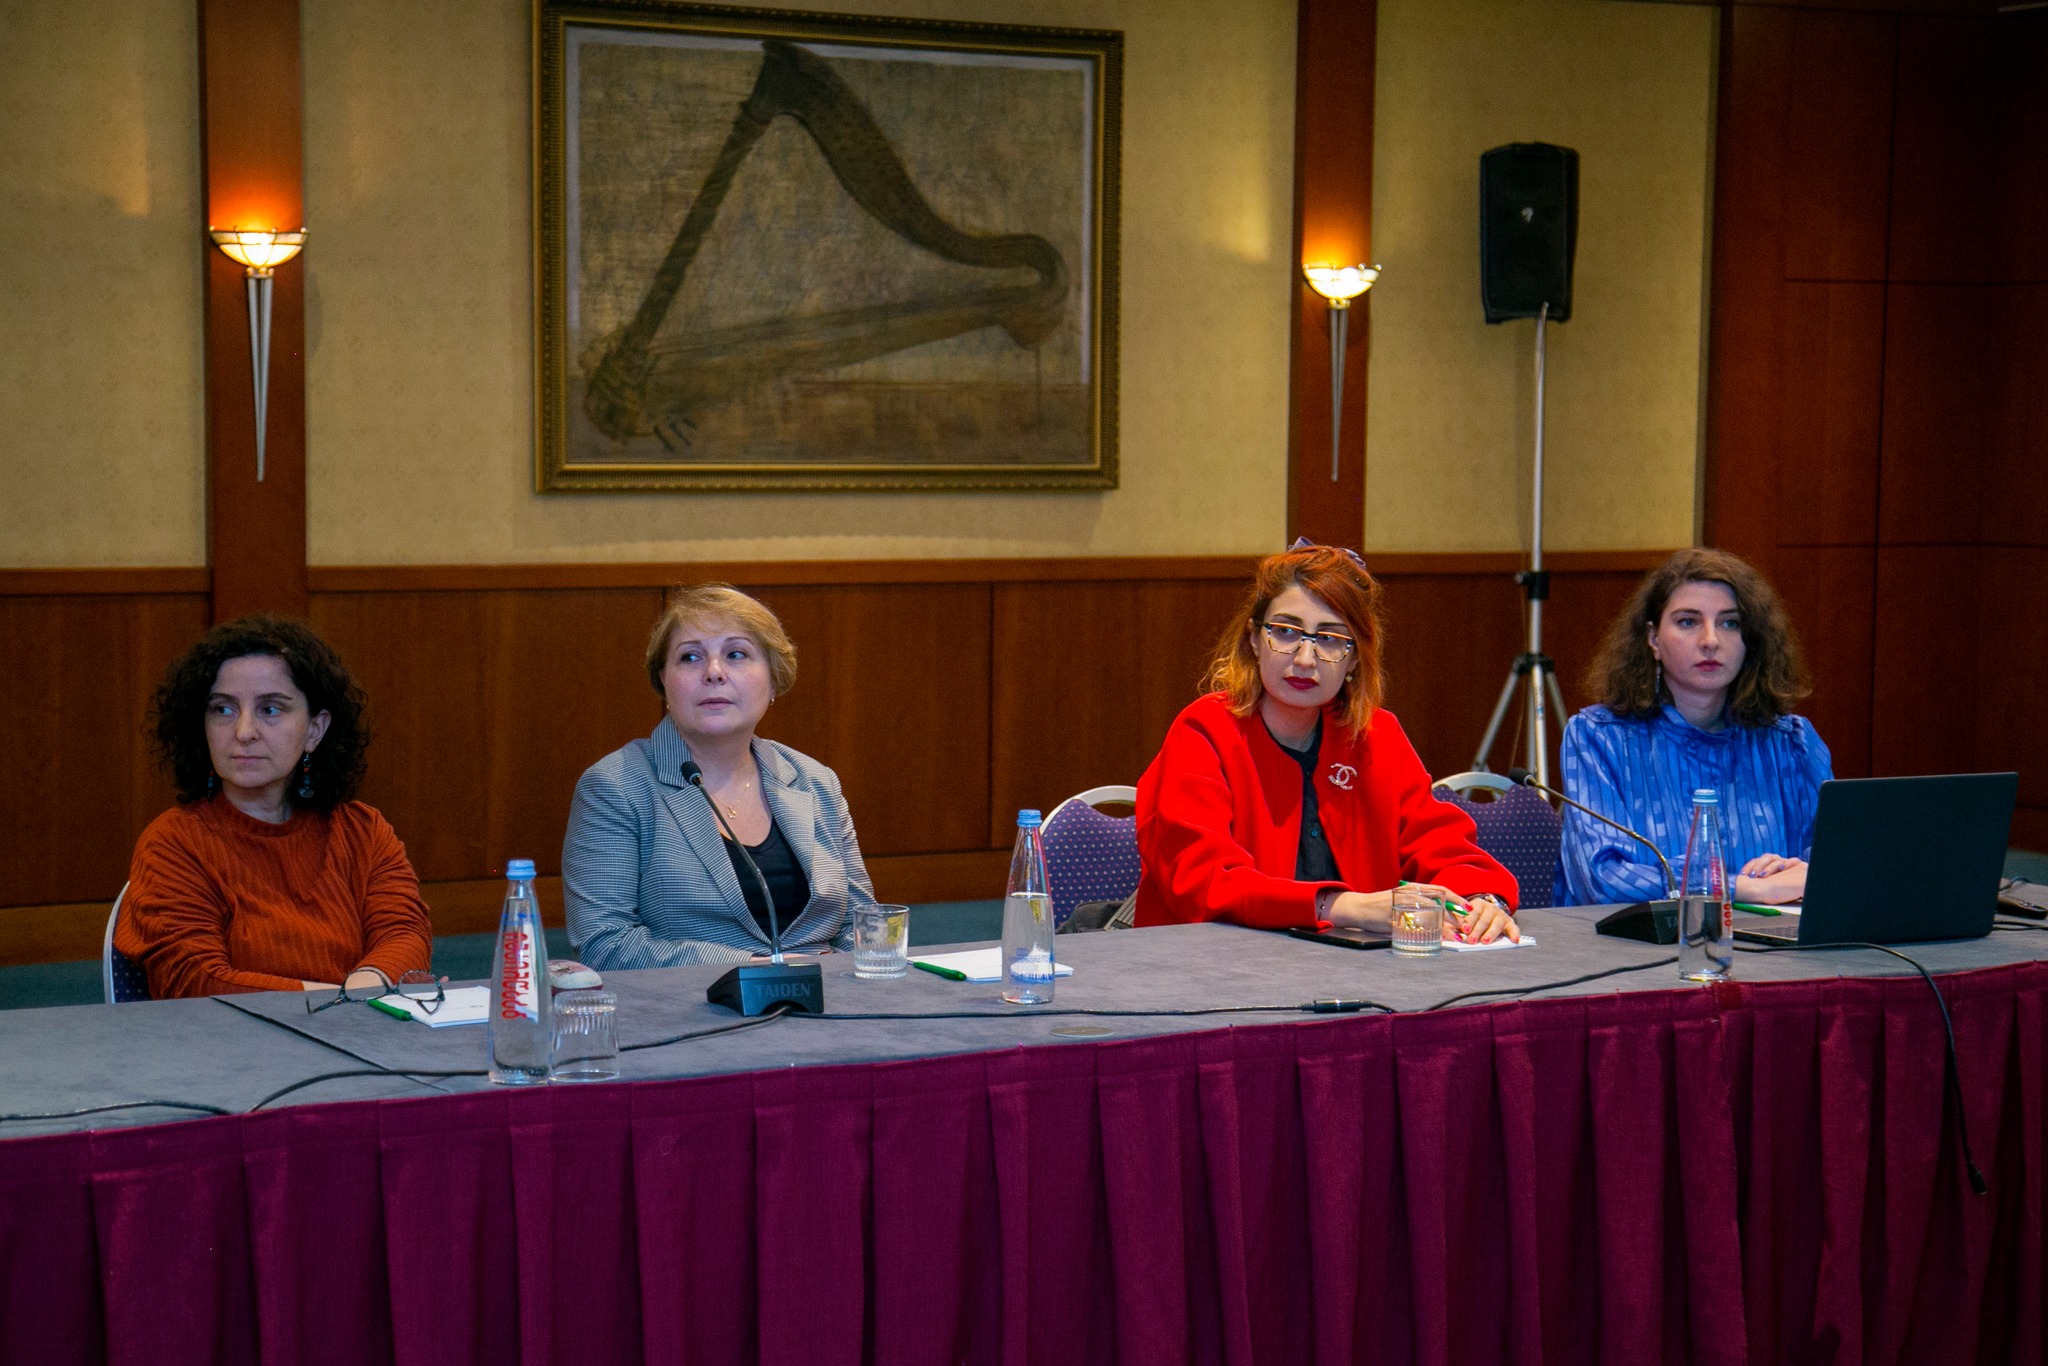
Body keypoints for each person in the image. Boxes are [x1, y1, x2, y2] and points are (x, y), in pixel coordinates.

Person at [1136, 541, 1522, 943]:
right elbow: (1203, 881)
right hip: (1210, 962)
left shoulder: (1375, 735)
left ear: (1355, 658)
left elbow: (1442, 845)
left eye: (1331, 639)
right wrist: (1343, 906)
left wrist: (1481, 899)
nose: (1305, 659)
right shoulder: (1204, 731)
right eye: (1285, 632)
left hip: (1353, 970)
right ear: (1254, 639)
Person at [116, 617, 433, 998]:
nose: (244, 732)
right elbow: (196, 981)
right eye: (223, 709)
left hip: (357, 1027)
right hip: (236, 1038)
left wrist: (364, 989)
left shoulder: (363, 831)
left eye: (270, 709)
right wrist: (343, 1000)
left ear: (314, 730)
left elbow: (404, 934)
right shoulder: (173, 843)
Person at [563, 584, 873, 969]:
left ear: (773, 678)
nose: (713, 672)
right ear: (664, 681)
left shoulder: (815, 780)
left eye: (736, 654)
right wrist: (759, 968)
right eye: (690, 657)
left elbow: (861, 925)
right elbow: (605, 945)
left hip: (826, 997)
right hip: (694, 1001)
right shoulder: (615, 787)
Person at [1557, 547, 1833, 907]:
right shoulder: (1598, 737)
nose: (1711, 640)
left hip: (1775, 939)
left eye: (1730, 623)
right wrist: (1740, 887)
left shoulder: (1791, 742)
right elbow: (1603, 880)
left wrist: (1807, 872)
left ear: (1751, 640)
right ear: (1653, 639)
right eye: (1688, 622)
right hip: (1633, 941)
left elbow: (1838, 865)